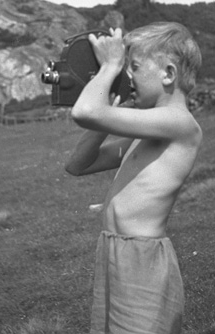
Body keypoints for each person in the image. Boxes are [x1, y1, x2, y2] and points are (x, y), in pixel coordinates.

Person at [65, 22, 203, 334]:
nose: (127, 76)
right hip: (114, 249)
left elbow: (84, 112)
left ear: (168, 74)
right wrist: (106, 113)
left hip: (142, 258)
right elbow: (78, 164)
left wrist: (110, 66)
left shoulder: (178, 123)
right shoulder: (147, 132)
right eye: (125, 67)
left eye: (135, 67)